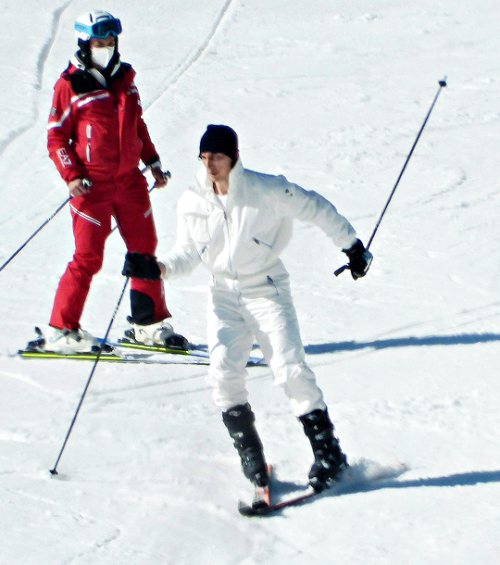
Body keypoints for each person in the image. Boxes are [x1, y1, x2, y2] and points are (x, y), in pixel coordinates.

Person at [122, 125, 373, 492]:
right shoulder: (193, 200)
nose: (210, 165)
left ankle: (329, 455)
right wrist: (156, 268)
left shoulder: (265, 190)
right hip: (222, 294)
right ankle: (252, 459)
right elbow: (188, 254)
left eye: (218, 158)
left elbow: (315, 207)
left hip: (266, 289)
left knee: (290, 369)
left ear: (234, 158)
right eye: (204, 158)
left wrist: (351, 246)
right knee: (223, 375)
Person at [41, 10, 186, 354]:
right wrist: (72, 176)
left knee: (144, 251)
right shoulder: (70, 84)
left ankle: (147, 326)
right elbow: (56, 137)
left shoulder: (125, 79)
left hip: (130, 183)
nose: (105, 46)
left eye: (109, 41)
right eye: (98, 42)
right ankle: (62, 330)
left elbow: (137, 126)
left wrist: (152, 162)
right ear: (85, 43)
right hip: (91, 186)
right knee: (88, 256)